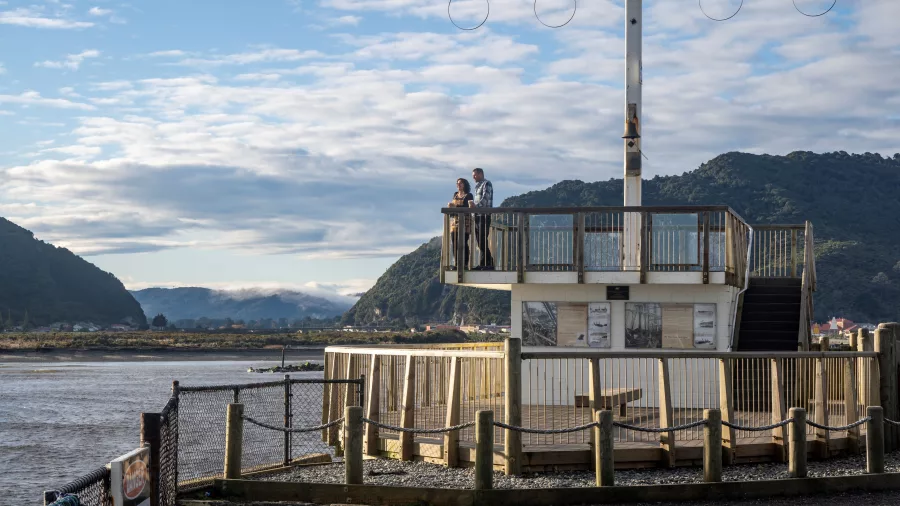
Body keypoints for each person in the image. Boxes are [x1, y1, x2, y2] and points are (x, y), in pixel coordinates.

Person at [471, 167, 494, 270]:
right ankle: (487, 263)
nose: (474, 178)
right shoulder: (477, 186)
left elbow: (485, 199)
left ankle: (486, 263)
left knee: (482, 239)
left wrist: (475, 207)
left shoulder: (487, 184)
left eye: (475, 175)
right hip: (477, 216)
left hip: (484, 215)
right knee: (479, 240)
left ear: (480, 174)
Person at [448, 177, 473, 270]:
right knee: (454, 242)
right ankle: (457, 264)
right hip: (455, 221)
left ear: (464, 184)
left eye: (460, 183)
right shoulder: (455, 194)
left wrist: (454, 206)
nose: (458, 185)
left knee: (463, 242)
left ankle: (465, 264)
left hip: (466, 221)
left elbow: (467, 206)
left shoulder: (469, 195)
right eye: (457, 183)